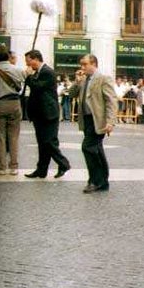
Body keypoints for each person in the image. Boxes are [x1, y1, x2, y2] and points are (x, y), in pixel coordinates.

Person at [70, 54, 117, 193]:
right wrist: (77, 81)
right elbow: (72, 94)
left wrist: (111, 122)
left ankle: (94, 181)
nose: (82, 67)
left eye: (85, 64)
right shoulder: (84, 79)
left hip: (99, 120)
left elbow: (111, 100)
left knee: (88, 147)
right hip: (87, 120)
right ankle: (103, 181)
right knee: (97, 149)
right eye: (81, 64)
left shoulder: (103, 78)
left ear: (94, 64)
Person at [24, 50, 71, 179]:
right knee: (42, 143)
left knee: (49, 142)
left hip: (48, 113)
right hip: (39, 114)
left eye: (28, 62)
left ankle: (64, 164)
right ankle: (41, 169)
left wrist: (29, 76)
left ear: (36, 59)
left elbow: (37, 87)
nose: (27, 65)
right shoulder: (38, 72)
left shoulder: (47, 72)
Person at [0, 46, 25, 175]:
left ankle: (2, 167)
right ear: (8, 57)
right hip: (15, 103)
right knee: (14, 136)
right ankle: (14, 166)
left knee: (0, 136)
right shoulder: (17, 69)